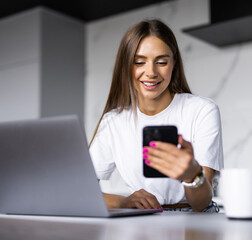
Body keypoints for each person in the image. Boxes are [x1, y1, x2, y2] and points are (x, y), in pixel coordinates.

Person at [89, 19, 223, 212]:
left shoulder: (202, 110)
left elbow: (201, 203)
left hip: (194, 220)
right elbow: (80, 191)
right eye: (139, 62)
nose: (150, 72)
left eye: (161, 62)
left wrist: (192, 175)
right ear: (126, 66)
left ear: (174, 64)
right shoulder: (113, 121)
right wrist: (123, 202)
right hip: (142, 219)